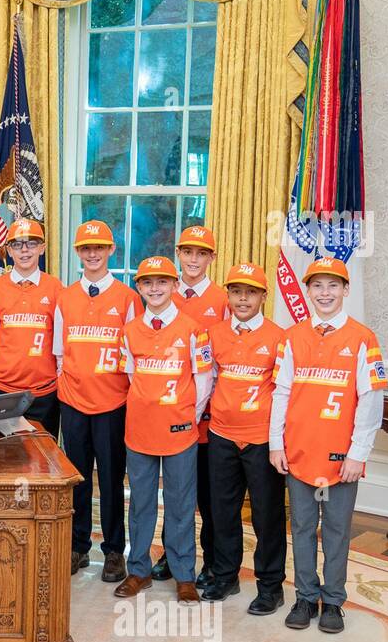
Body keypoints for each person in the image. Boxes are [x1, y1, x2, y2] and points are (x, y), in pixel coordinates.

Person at [270, 257, 386, 634]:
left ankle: (333, 600)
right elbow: (282, 393)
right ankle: (305, 595)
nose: (325, 293)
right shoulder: (291, 338)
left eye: (332, 286)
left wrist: (358, 453)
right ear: (307, 291)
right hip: (298, 451)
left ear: (346, 290)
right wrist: (276, 444)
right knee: (301, 527)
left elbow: (371, 401)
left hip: (342, 457)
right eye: (317, 286)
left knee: (336, 529)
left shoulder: (363, 338)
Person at [114, 255, 213, 603]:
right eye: (147, 283)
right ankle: (138, 570)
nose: (154, 289)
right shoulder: (129, 331)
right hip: (139, 430)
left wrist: (186, 415)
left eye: (162, 282)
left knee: (181, 503)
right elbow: (131, 377)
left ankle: (184, 574)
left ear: (174, 285)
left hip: (180, 431)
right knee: (140, 503)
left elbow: (203, 381)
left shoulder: (193, 329)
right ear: (139, 288)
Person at [53, 219, 139, 581]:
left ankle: (115, 550)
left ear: (110, 251)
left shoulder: (128, 298)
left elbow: (135, 355)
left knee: (111, 479)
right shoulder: (65, 297)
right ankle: (78, 546)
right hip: (73, 402)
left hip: (113, 404)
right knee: (78, 478)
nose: (92, 254)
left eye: (99, 248)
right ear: (78, 253)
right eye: (86, 248)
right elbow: (60, 353)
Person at [203, 262, 287, 611]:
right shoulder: (214, 334)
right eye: (236, 292)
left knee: (267, 515)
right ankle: (225, 575)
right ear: (228, 295)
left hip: (261, 439)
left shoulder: (279, 337)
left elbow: (284, 391)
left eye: (250, 292)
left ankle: (270, 586)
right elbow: (207, 379)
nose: (242, 299)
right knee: (222, 511)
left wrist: (278, 439)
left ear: (263, 297)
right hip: (221, 433)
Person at [153, 224, 228, 586]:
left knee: (210, 496)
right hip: (170, 414)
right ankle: (172, 554)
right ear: (178, 254)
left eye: (202, 253)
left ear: (212, 258)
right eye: (187, 252)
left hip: (209, 417)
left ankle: (212, 562)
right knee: (177, 491)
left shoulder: (224, 301)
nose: (194, 259)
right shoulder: (162, 293)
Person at [0, 219, 64, 437]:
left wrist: (60, 379)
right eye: (17, 244)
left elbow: (61, 341)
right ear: (8, 250)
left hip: (44, 393)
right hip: (2, 391)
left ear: (42, 248)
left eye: (32, 243)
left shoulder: (56, 288)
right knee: (2, 460)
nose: (25, 250)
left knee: (43, 462)